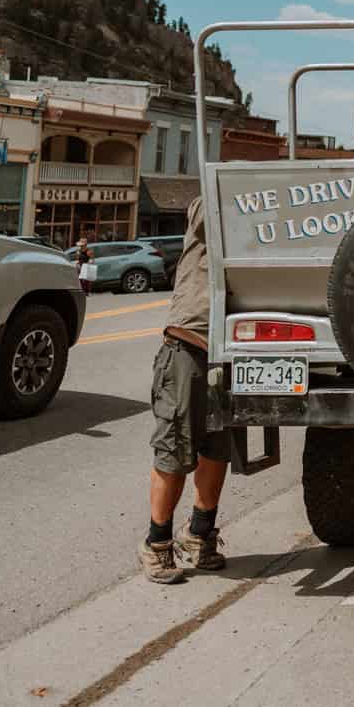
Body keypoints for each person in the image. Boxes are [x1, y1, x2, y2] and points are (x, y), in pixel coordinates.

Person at [139, 196, 232, 584]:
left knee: (217, 450)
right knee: (174, 451)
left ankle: (198, 535)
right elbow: (207, 203)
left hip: (228, 355)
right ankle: (156, 545)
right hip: (187, 349)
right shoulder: (206, 207)